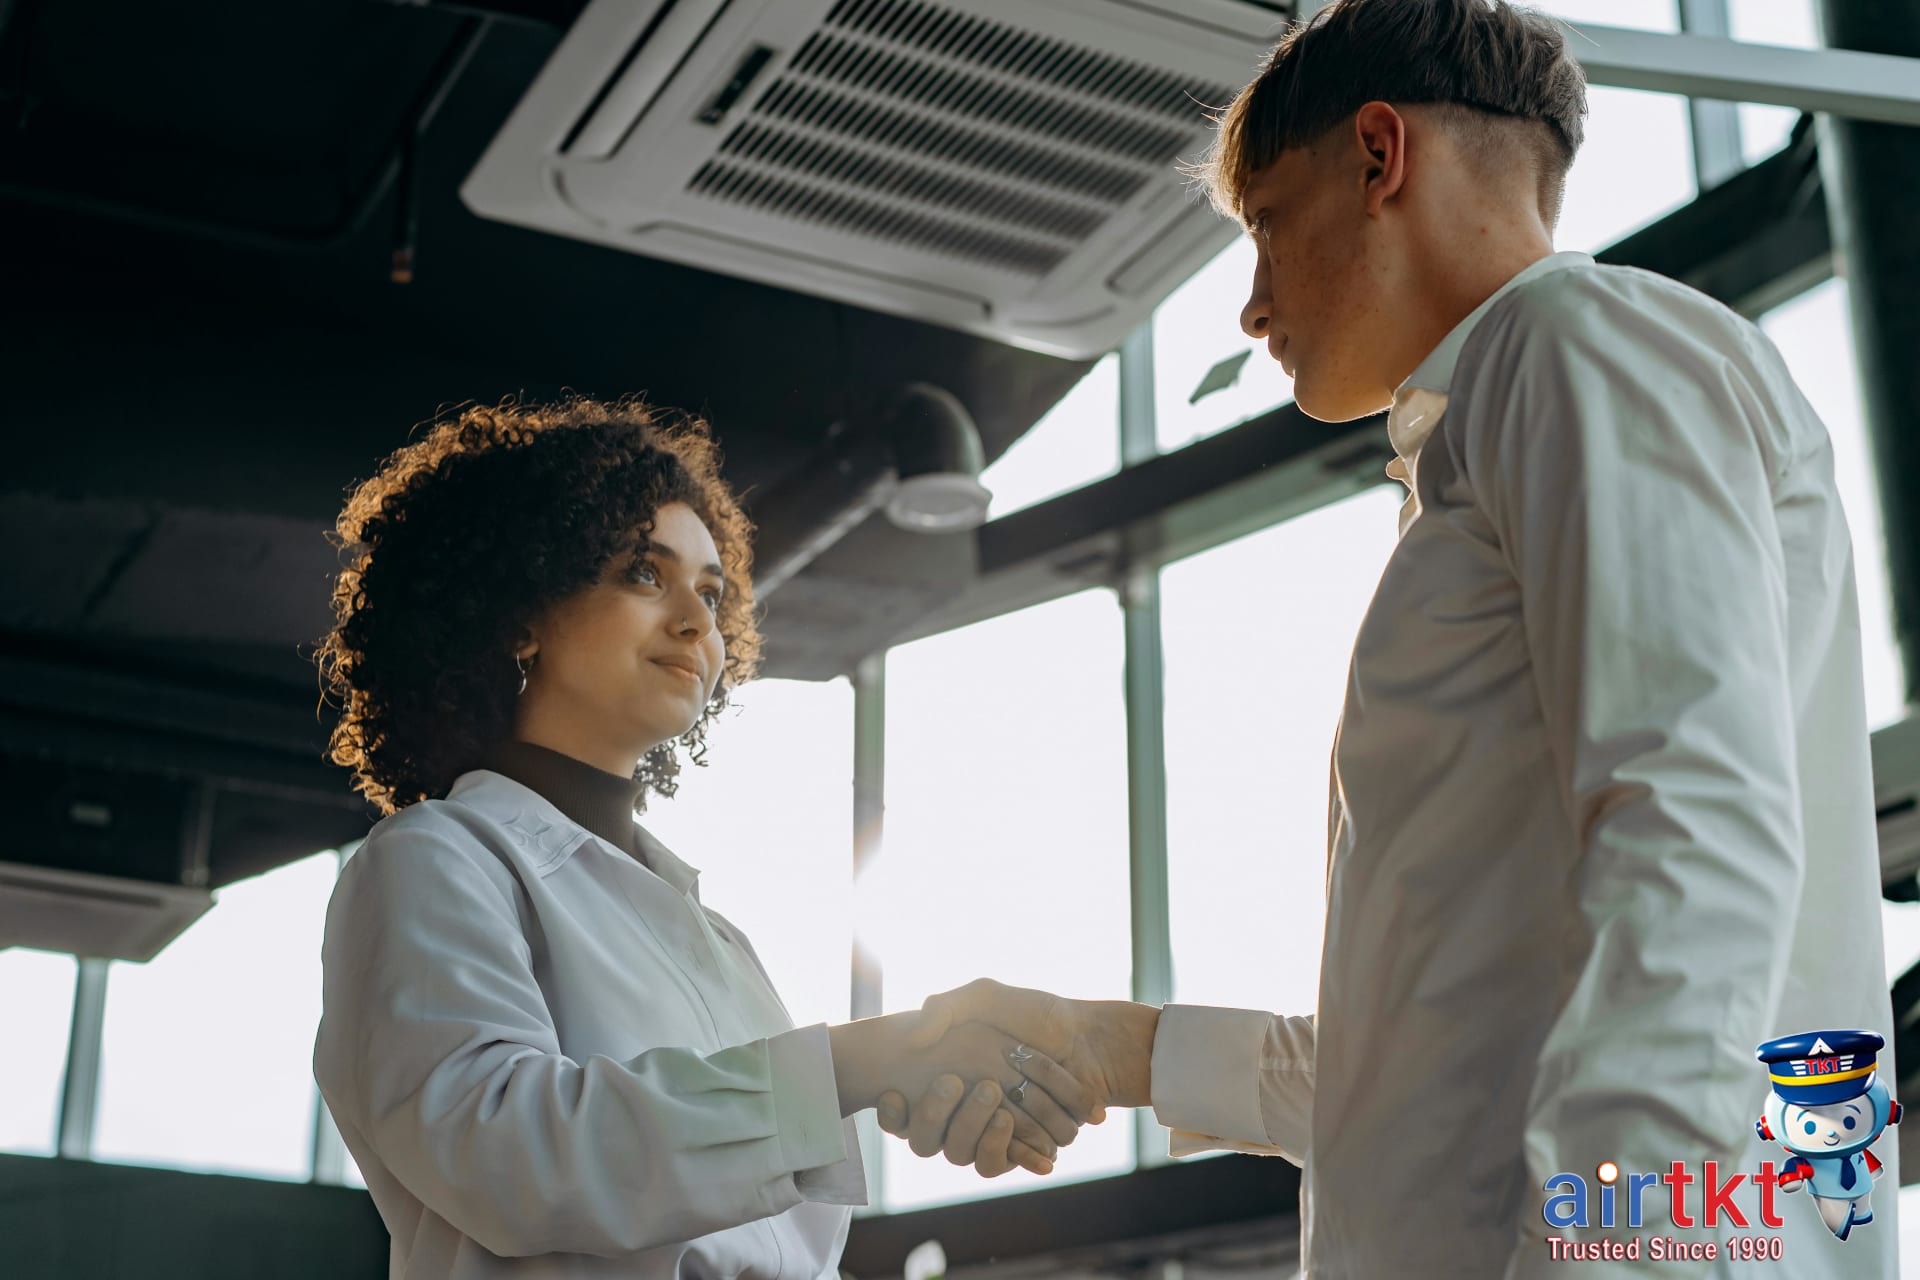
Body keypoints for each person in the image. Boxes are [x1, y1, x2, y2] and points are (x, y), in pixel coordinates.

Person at [876, 2, 1897, 1276]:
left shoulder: (1573, 340)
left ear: (1378, 156)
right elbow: (1441, 1064)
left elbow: (1692, 831)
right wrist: (1109, 1046)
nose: (1252, 307)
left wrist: (1624, 1255)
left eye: (1262, 227)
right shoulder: (1520, 405)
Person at [309, 396, 1092, 1280]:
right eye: (646, 574)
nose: (696, 621)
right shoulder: (432, 860)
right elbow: (508, 1156)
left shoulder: (722, 944)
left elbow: (787, 1233)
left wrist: (918, 1079)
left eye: (712, 593)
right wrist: (859, 1065)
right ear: (520, 610)